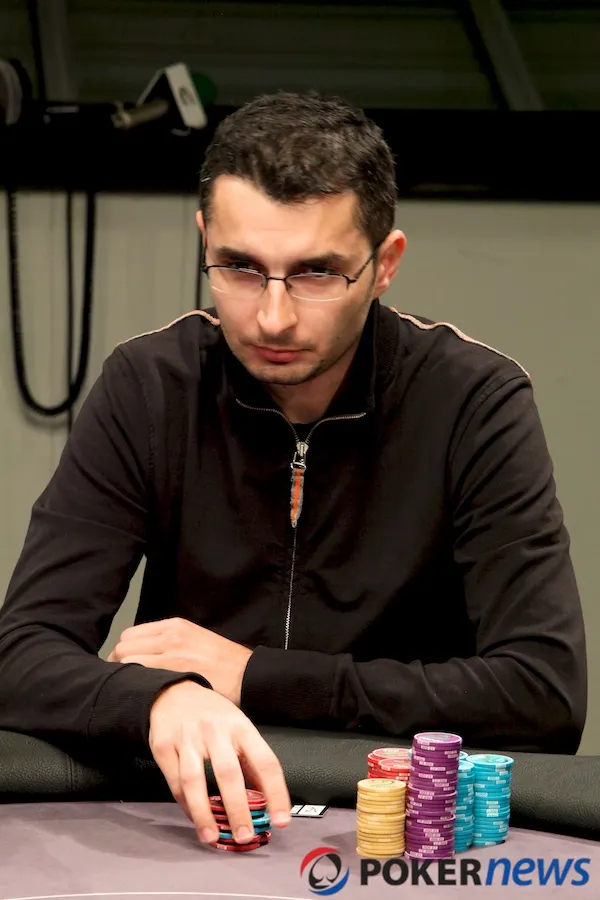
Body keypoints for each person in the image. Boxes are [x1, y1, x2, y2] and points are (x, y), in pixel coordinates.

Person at [0, 92, 587, 841]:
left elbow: (542, 694)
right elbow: (19, 655)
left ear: (385, 265)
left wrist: (254, 677)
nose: (272, 317)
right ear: (204, 238)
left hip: (401, 831)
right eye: (240, 268)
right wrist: (160, 698)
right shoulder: (148, 388)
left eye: (316, 273)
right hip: (196, 822)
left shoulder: (473, 401)